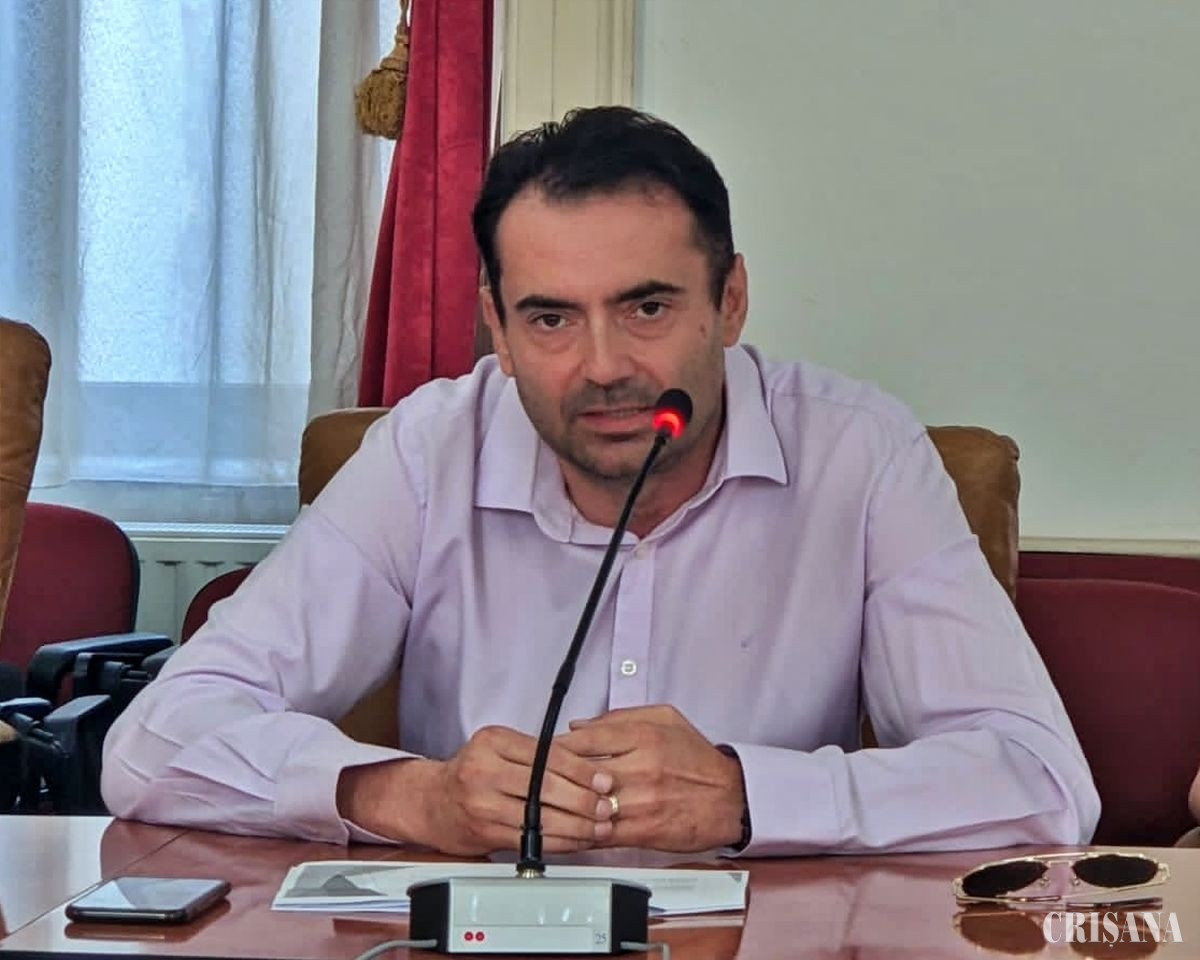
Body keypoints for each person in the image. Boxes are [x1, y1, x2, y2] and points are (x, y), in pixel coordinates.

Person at [101, 106, 1099, 856]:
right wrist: (407, 796)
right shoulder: (427, 451)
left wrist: (749, 797)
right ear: (497, 328)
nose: (604, 367)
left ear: (731, 301)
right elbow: (152, 744)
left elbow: (1041, 781)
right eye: (550, 319)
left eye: (647, 308)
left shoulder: (861, 454)